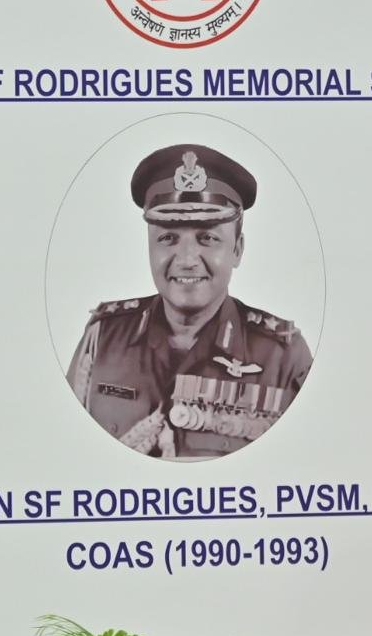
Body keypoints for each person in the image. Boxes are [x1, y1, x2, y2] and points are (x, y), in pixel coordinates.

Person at [66, 143, 312, 459]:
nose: (186, 260)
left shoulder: (283, 356)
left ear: (237, 250)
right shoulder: (102, 340)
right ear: (149, 247)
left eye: (207, 238)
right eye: (167, 238)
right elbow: (68, 450)